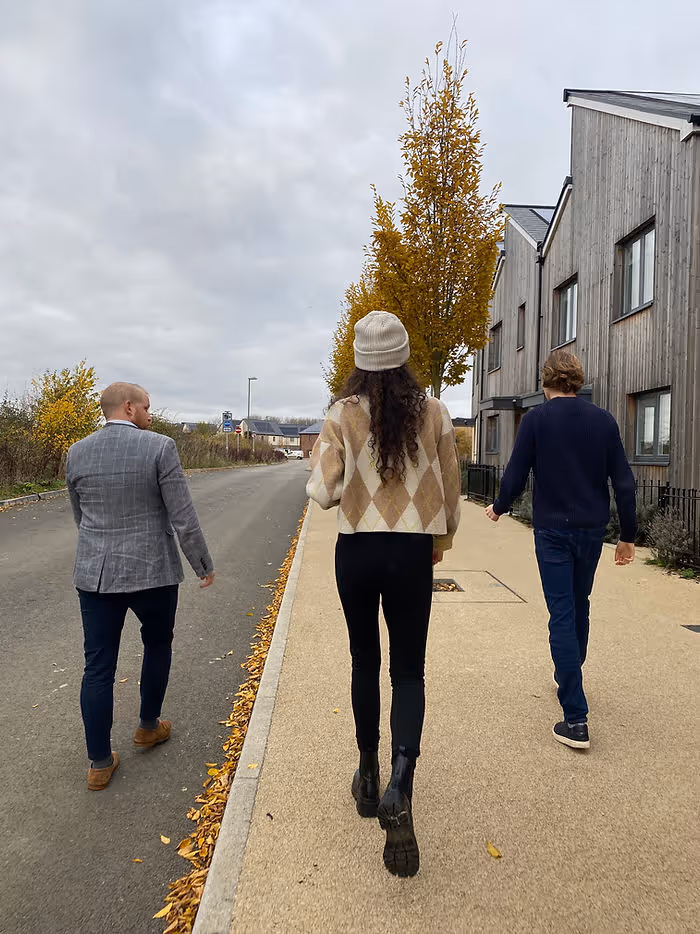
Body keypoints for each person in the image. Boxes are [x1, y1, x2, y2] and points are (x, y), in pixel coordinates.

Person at [307, 310, 461, 878]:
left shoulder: (340, 415)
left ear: (358, 362)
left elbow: (322, 493)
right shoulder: (436, 412)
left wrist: (338, 463)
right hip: (410, 554)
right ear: (402, 358)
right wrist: (438, 541)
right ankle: (401, 780)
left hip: (358, 553)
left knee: (363, 661)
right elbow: (451, 486)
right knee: (410, 670)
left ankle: (367, 774)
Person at [66, 382, 215, 791]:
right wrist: (202, 564)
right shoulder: (160, 448)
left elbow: (80, 515)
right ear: (129, 407)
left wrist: (102, 548)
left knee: (97, 667)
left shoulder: (76, 452)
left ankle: (99, 763)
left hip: (96, 576)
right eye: (147, 407)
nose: (151, 414)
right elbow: (182, 515)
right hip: (154, 574)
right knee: (158, 645)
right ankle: (148, 726)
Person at [485, 351, 636, 750]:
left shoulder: (536, 420)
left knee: (562, 613)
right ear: (576, 381)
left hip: (552, 531)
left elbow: (516, 473)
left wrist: (499, 507)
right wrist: (628, 535)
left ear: (546, 381)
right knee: (579, 603)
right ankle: (571, 671)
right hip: (591, 529)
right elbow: (624, 481)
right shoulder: (603, 421)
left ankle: (575, 718)